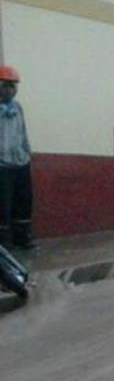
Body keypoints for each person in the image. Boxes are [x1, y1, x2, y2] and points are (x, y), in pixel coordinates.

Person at [0, 65, 35, 250]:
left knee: (24, 202)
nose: (10, 90)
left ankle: (23, 239)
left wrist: (27, 154)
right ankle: (4, 245)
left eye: (13, 86)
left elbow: (23, 132)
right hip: (2, 166)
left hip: (20, 163)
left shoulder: (17, 108)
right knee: (3, 206)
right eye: (6, 85)